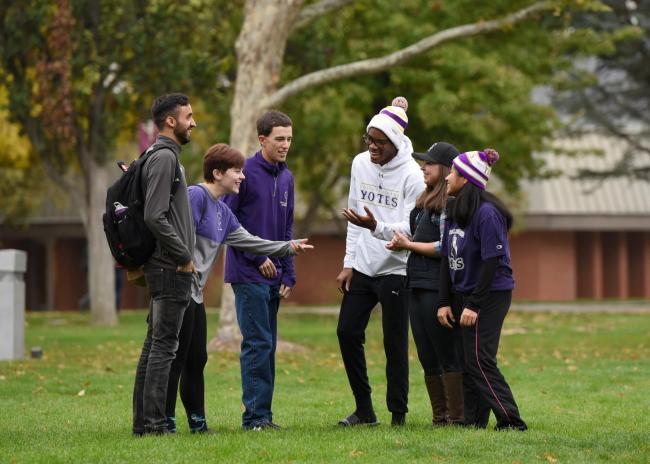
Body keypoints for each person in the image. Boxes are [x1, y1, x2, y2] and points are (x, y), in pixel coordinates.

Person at [164, 143, 313, 434]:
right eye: (236, 171)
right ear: (217, 173)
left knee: (197, 358)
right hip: (176, 289)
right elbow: (177, 237)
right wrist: (184, 264)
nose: (242, 177)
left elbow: (250, 241)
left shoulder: (223, 212)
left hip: (195, 294)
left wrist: (287, 248)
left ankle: (198, 423)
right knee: (175, 358)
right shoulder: (196, 196)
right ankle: (164, 421)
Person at [336, 97, 424, 427]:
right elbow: (353, 216)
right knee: (346, 332)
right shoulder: (360, 164)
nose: (372, 146)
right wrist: (348, 261)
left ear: (396, 142)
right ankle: (364, 410)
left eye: (379, 142)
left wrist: (376, 226)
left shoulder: (413, 176)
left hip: (397, 269)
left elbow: (412, 227)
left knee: (394, 343)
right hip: (363, 266)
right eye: (369, 139)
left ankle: (397, 414)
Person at [437, 148, 527, 431]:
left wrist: (474, 305)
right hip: (466, 294)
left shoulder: (488, 214)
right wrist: (444, 300)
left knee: (479, 359)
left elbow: (492, 262)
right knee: (469, 360)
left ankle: (511, 420)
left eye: (452, 172)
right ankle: (473, 421)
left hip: (490, 294)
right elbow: (446, 259)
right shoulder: (454, 210)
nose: (447, 177)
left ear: (466, 178)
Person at [377, 142, 465, 426]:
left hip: (436, 289)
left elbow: (444, 247)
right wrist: (401, 245)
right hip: (415, 285)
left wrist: (410, 245)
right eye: (422, 162)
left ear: (447, 169)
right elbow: (417, 242)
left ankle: (456, 416)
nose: (422, 167)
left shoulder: (449, 205)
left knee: (446, 354)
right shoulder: (422, 205)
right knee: (427, 355)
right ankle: (439, 417)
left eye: (429, 163)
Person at [223, 110, 296, 431]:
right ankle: (254, 418)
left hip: (275, 275)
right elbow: (227, 222)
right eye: (279, 139)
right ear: (262, 139)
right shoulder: (244, 173)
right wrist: (257, 256)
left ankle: (264, 416)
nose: (285, 145)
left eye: (289, 139)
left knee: (267, 347)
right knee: (257, 344)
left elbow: (287, 228)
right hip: (248, 273)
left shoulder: (287, 177)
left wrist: (289, 272)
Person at [132, 93, 197, 435]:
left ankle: (144, 425)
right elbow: (155, 216)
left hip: (165, 265)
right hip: (170, 267)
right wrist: (184, 257)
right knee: (163, 347)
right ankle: (155, 425)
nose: (193, 122)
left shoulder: (157, 156)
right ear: (171, 121)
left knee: (155, 345)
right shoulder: (164, 158)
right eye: (188, 116)